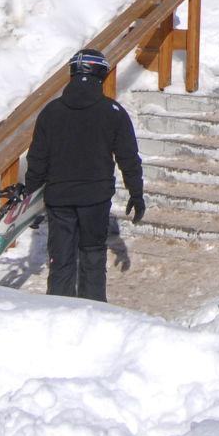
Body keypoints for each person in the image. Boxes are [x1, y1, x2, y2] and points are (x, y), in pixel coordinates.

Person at [22, 47, 145, 301]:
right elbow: (128, 157)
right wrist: (136, 193)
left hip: (59, 199)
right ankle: (94, 311)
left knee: (61, 260)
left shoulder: (51, 112)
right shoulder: (113, 112)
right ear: (100, 75)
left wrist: (30, 199)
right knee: (92, 255)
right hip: (95, 198)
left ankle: (57, 310)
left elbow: (37, 159)